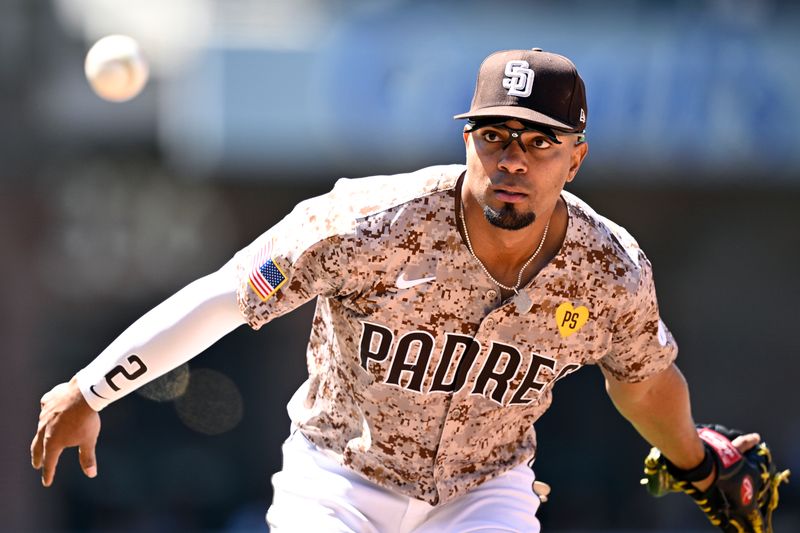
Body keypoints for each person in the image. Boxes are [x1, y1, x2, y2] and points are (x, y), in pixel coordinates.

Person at [31, 48, 759, 532]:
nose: (512, 159)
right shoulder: (368, 223)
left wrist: (695, 459)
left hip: (483, 491)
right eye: (495, 136)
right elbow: (228, 296)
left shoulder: (609, 269)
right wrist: (90, 389)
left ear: (576, 158)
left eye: (538, 142)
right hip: (340, 475)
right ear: (467, 140)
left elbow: (642, 379)